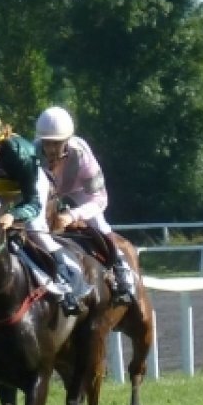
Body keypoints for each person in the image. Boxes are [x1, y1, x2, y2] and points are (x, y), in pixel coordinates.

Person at [0, 108, 84, 316]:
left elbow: (33, 203)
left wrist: (12, 215)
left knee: (33, 228)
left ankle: (65, 279)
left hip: (27, 188)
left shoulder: (20, 154)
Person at [34, 105, 136, 305]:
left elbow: (100, 199)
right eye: (47, 144)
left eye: (57, 144)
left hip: (79, 190)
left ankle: (122, 269)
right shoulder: (32, 154)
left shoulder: (83, 158)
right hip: (47, 192)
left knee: (98, 223)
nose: (51, 150)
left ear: (67, 140)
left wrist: (72, 215)